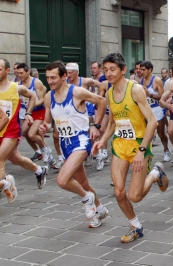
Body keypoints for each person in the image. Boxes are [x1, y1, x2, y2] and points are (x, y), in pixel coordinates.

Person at [92, 53, 168, 242]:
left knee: (134, 196)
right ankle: (135, 226)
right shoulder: (109, 93)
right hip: (119, 144)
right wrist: (103, 140)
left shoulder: (135, 90)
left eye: (112, 70)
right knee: (118, 191)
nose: (108, 74)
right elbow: (112, 122)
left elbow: (152, 122)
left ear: (123, 70)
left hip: (139, 145)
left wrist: (142, 151)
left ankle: (155, 173)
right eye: (105, 70)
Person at [39, 60, 107, 227]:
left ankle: (87, 198)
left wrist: (96, 125)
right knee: (83, 183)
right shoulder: (49, 97)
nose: (50, 81)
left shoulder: (76, 92)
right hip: (65, 143)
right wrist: (44, 127)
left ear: (64, 76)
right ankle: (100, 209)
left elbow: (102, 101)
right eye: (47, 78)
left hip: (81, 140)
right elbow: (48, 122)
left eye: (53, 77)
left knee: (62, 180)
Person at [0, 58, 48, 191]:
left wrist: (28, 113)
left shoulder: (16, 87)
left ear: (7, 71)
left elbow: (33, 96)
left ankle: (5, 185)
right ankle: (39, 170)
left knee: (0, 161)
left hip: (11, 131)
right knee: (16, 159)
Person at [16, 63, 56, 167]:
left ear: (28, 72)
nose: (19, 75)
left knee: (32, 134)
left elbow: (42, 99)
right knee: (23, 132)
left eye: (21, 73)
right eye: (17, 73)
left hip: (39, 111)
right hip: (28, 112)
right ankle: (42, 151)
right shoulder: (18, 83)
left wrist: (32, 105)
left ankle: (45, 149)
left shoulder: (36, 82)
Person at [140, 61, 170, 162]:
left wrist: (150, 95)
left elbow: (162, 96)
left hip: (157, 109)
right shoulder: (141, 81)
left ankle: (166, 149)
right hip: (147, 109)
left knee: (161, 133)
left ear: (150, 70)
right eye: (141, 69)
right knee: (146, 133)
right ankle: (147, 153)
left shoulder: (156, 80)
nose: (141, 71)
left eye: (144, 70)